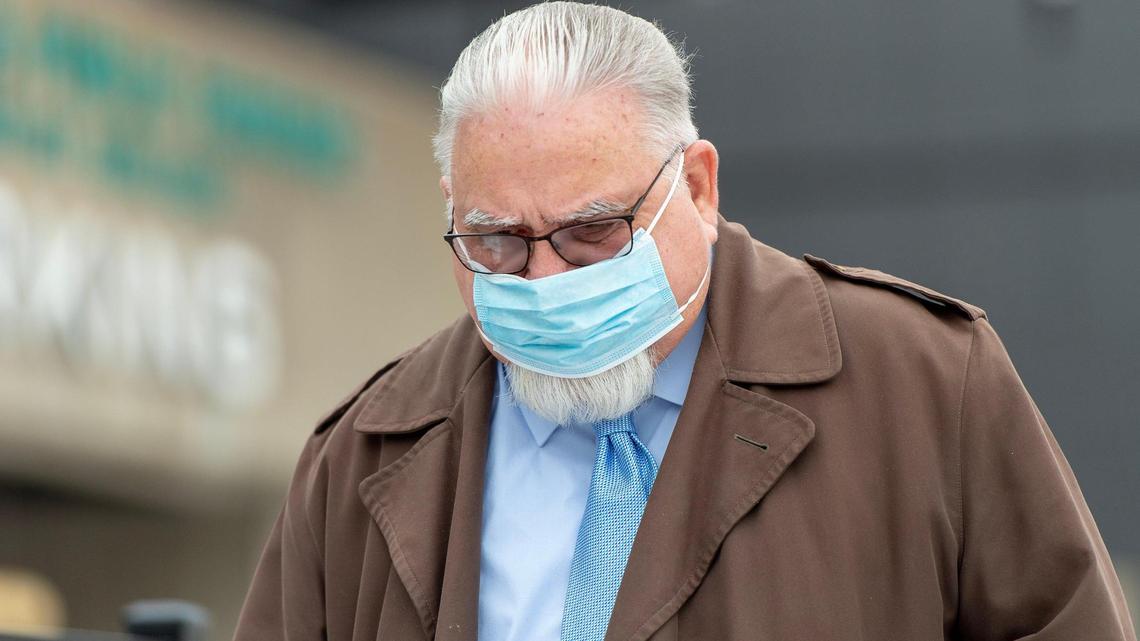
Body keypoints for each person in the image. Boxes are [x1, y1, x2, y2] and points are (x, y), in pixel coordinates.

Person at [233, 3, 1136, 640]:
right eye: (497, 240)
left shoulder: (925, 381)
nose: (545, 279)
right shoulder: (363, 455)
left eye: (592, 230)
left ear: (697, 187)